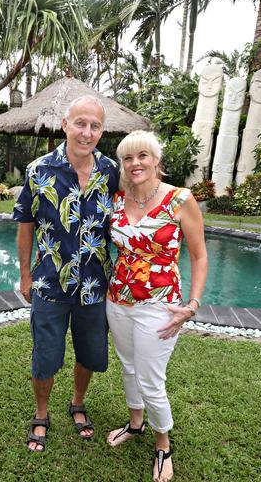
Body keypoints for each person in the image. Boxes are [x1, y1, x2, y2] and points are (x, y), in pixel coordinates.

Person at [13, 95, 119, 452]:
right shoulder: (38, 170)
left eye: (95, 126)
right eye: (81, 123)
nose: (87, 133)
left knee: (89, 351)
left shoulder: (111, 171)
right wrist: (25, 275)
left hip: (94, 285)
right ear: (65, 124)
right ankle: (41, 413)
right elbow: (25, 225)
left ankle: (77, 402)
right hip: (49, 282)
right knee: (46, 353)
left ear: (101, 130)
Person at [104, 131, 208, 482]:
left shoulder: (180, 199)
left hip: (160, 305)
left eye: (142, 156)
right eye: (128, 158)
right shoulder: (117, 199)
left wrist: (192, 304)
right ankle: (135, 424)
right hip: (117, 299)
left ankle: (162, 443)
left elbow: (199, 255)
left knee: (151, 379)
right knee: (129, 367)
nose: (135, 164)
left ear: (156, 160)